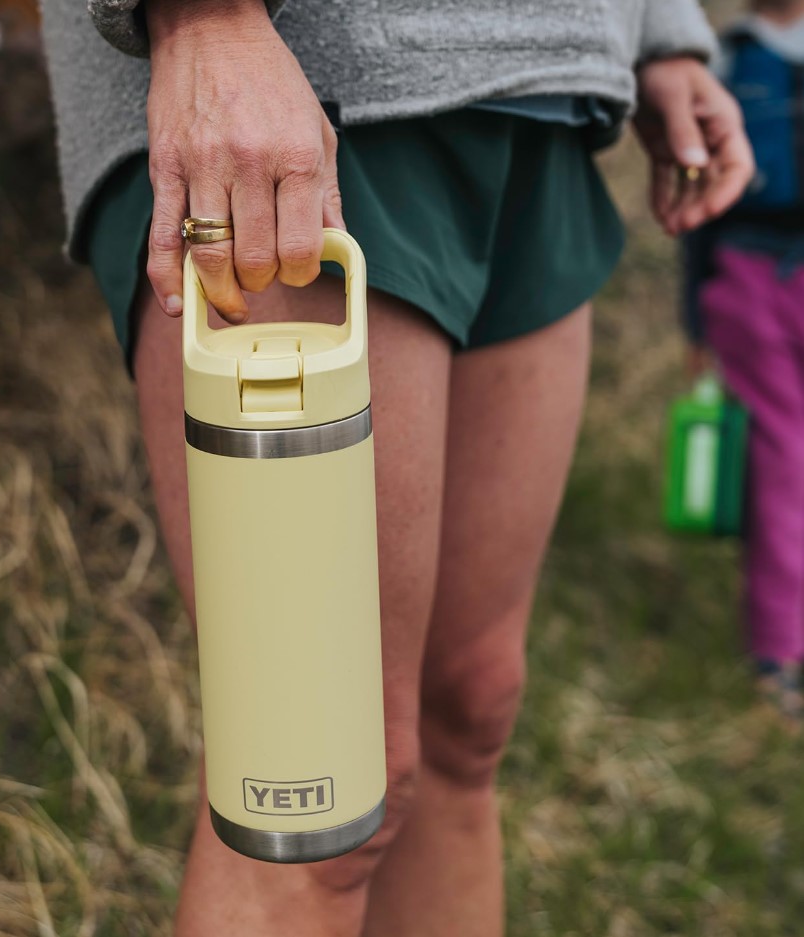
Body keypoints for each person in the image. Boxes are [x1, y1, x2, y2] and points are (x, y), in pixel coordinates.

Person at [40, 1, 753, 933]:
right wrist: (204, 19)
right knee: (309, 800)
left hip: (548, 81)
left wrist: (655, 30)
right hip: (306, 96)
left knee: (470, 715)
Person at [683, 0, 804, 727]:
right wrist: (695, 320)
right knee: (782, 463)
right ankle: (777, 653)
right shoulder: (724, 60)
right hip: (750, 281)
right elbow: (699, 203)